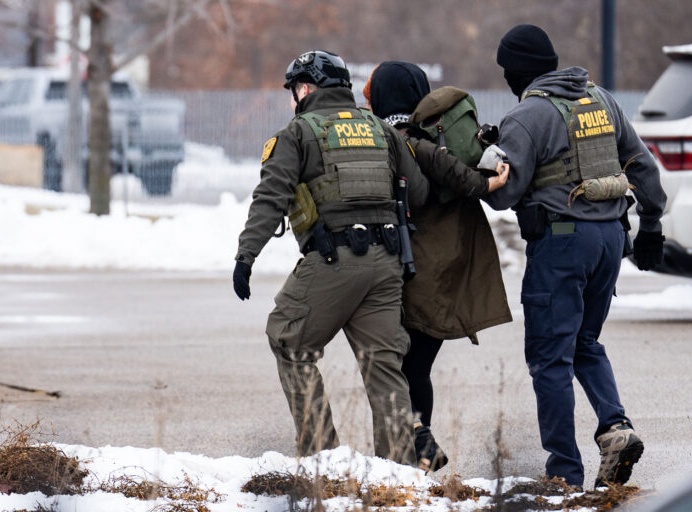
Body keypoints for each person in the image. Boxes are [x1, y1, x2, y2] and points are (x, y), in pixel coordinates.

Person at [482, 24, 667, 488]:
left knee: (550, 358)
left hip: (563, 242)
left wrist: (485, 158)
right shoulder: (599, 99)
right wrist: (652, 222)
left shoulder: (528, 115)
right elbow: (641, 163)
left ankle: (562, 474)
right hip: (611, 239)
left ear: (515, 71)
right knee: (585, 341)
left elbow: (504, 194)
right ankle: (615, 427)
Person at [233, 50, 432, 465]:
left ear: (305, 88)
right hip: (387, 263)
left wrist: (246, 256)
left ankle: (322, 460)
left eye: (294, 90)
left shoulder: (297, 134)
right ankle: (400, 474)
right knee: (384, 365)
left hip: (334, 260)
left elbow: (271, 197)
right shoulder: (380, 129)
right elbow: (419, 193)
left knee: (288, 339)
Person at [365, 61, 512, 471]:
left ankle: (415, 451)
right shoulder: (433, 136)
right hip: (449, 267)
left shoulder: (398, 141)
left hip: (417, 272)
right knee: (416, 367)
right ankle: (414, 450)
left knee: (402, 368)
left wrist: (484, 184)